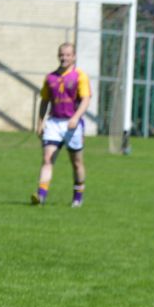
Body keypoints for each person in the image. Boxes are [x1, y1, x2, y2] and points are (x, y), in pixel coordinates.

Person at [31, 43, 91, 208]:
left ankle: (78, 197)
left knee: (77, 162)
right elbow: (44, 101)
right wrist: (40, 122)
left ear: (74, 56)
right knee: (47, 159)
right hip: (54, 123)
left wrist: (76, 118)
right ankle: (41, 196)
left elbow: (86, 100)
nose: (64, 58)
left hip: (73, 124)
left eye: (67, 55)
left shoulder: (80, 76)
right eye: (61, 55)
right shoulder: (50, 77)